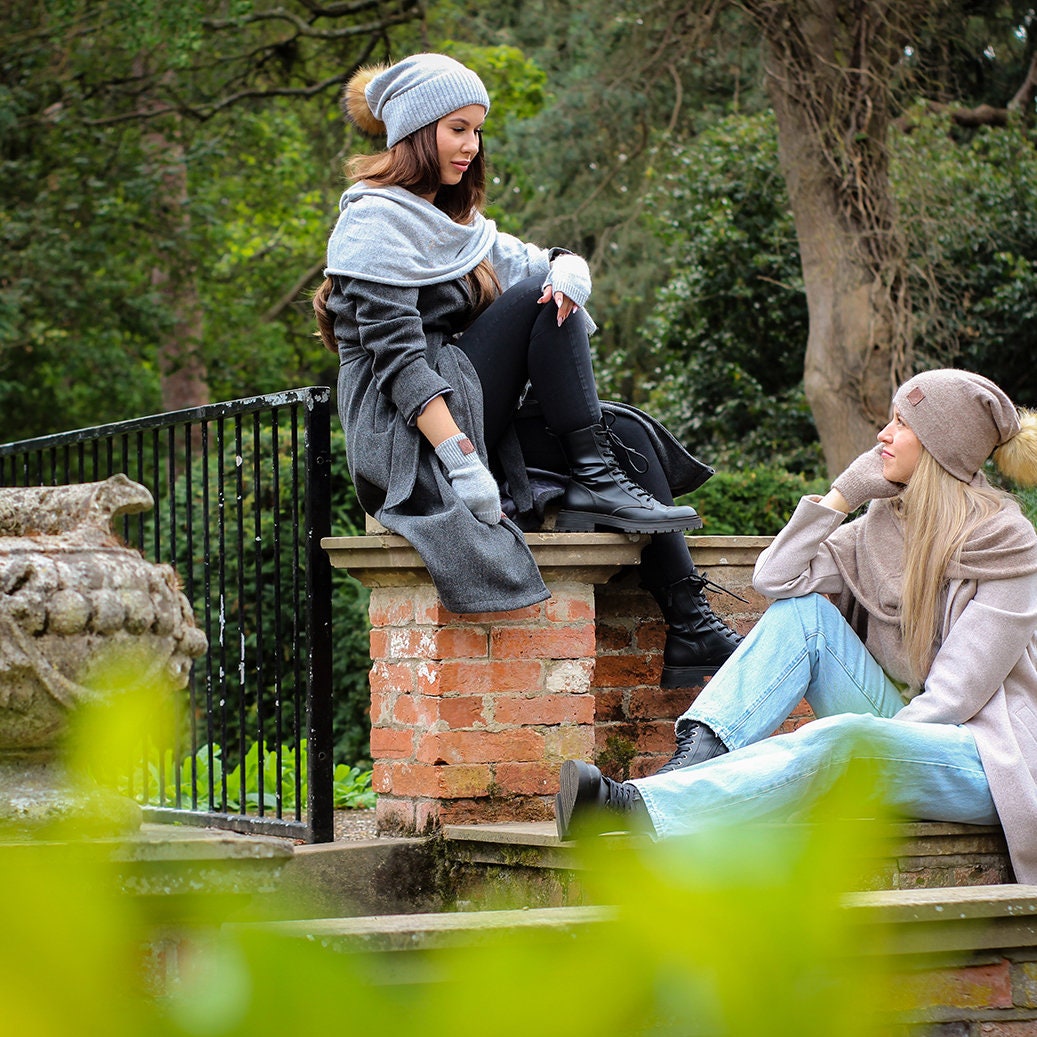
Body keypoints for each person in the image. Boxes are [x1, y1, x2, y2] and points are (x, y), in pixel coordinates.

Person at [313, 53, 741, 683]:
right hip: (411, 436)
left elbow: (544, 261)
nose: (472, 145)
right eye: (458, 128)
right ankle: (592, 476)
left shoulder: (456, 226)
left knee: (622, 432)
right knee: (539, 299)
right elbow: (401, 365)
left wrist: (570, 268)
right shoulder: (373, 222)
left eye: (478, 130)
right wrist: (462, 462)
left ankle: (691, 627)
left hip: (465, 401)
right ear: (416, 131)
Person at [555, 369, 1037, 883]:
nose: (883, 435)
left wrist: (866, 746)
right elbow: (775, 578)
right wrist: (841, 497)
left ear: (943, 445)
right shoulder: (885, 524)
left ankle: (632, 808)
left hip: (982, 758)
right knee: (803, 616)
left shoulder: (1007, 542)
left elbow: (954, 699)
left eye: (902, 423)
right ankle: (693, 766)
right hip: (899, 727)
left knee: (847, 741)